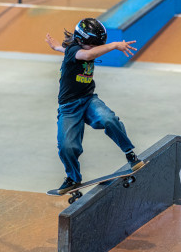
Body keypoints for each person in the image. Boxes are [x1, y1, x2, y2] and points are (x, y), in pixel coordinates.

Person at [45, 18, 143, 195]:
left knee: (109, 119)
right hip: (69, 108)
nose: (96, 50)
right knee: (67, 146)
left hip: (88, 100)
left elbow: (73, 51)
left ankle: (130, 154)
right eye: (94, 45)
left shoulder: (73, 49)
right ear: (81, 40)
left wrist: (57, 47)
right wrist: (114, 45)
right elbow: (86, 55)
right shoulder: (78, 50)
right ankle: (73, 178)